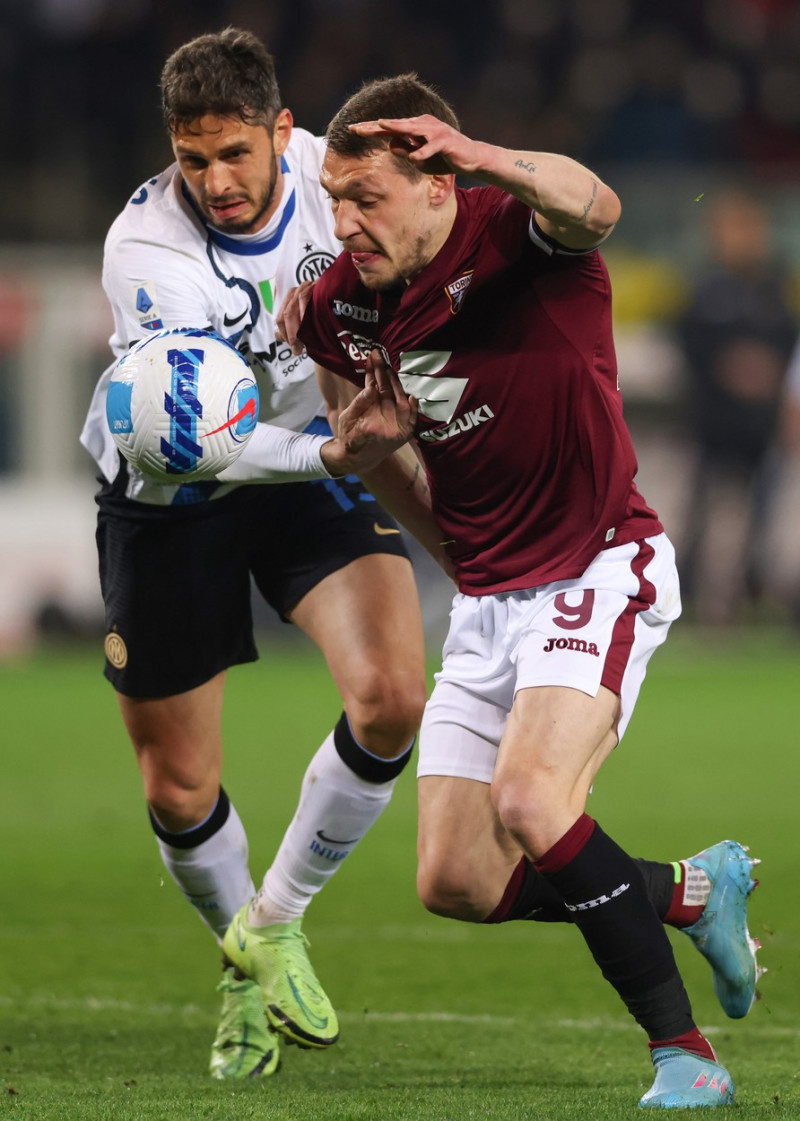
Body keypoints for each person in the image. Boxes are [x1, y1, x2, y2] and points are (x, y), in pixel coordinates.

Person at [273, 73, 762, 1108]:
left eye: (368, 195)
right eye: (332, 196)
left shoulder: (514, 232)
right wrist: (361, 456)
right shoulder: (341, 306)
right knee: (453, 878)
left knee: (532, 799)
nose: (344, 221)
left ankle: (686, 1055)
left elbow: (596, 205)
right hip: (489, 595)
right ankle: (689, 887)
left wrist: (487, 154)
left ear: (438, 179)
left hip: (597, 562)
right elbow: (358, 424)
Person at [79, 30, 439, 1081]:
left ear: (283, 130)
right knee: (178, 784)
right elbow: (216, 438)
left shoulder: (344, 187)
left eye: (235, 152)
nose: (216, 182)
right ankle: (240, 961)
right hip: (178, 489)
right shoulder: (145, 251)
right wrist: (338, 445)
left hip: (312, 468)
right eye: (193, 160)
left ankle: (272, 922)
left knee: (391, 696)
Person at [676, 188, 796, 625]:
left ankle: (751, 601)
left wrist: (769, 370)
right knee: (700, 517)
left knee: (762, 522)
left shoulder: (773, 286)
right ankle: (682, 599)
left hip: (761, 426)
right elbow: (689, 343)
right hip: (714, 423)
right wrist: (730, 365)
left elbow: (786, 342)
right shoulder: (705, 287)